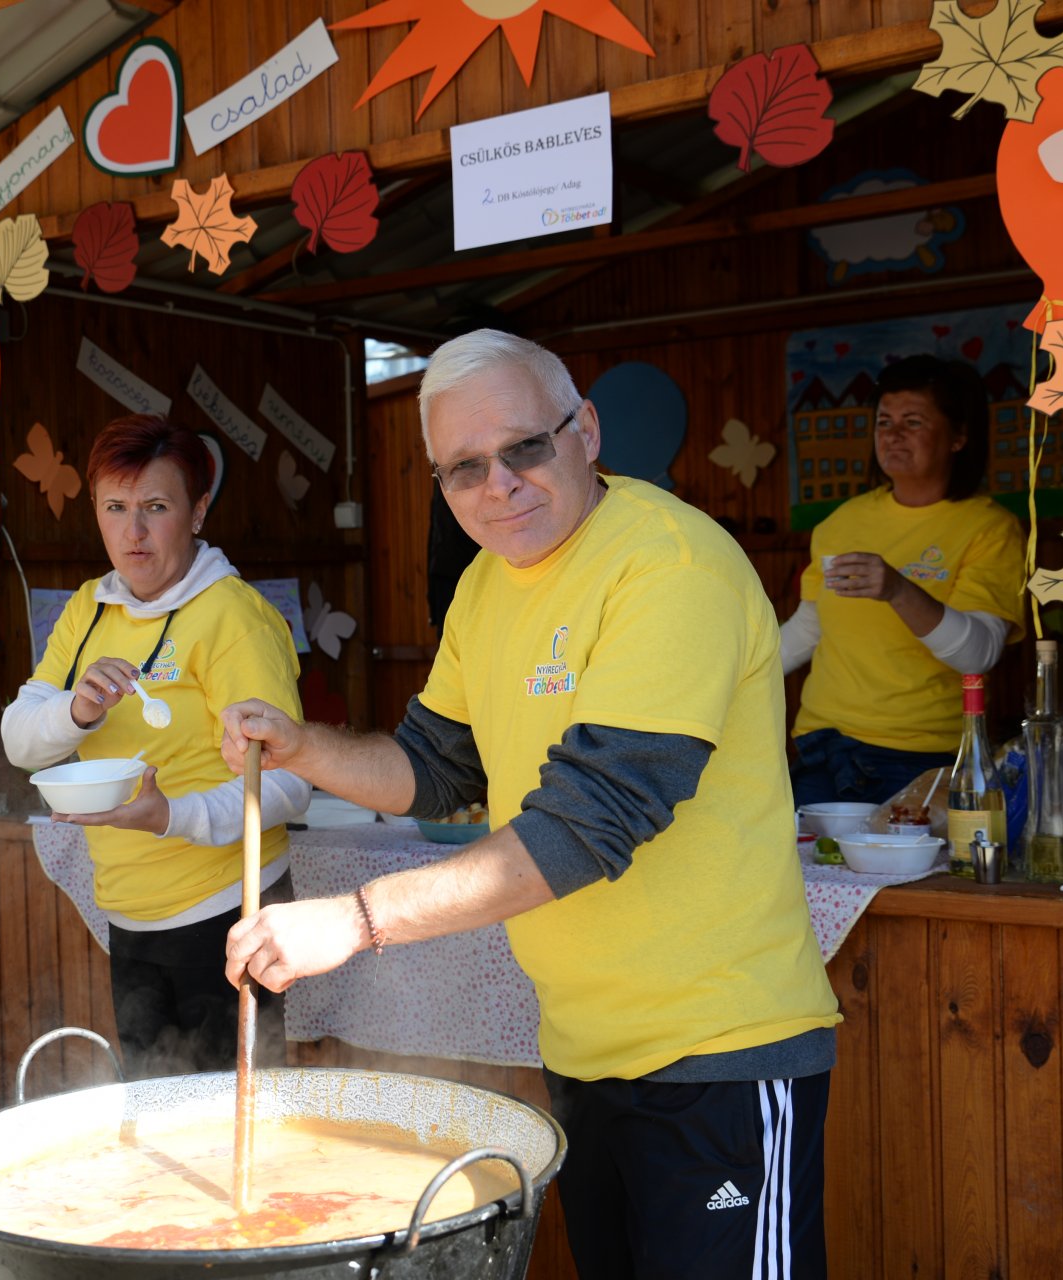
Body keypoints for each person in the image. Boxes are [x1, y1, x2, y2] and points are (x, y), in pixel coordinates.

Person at [218, 331, 840, 1280]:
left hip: (722, 1053)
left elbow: (588, 827)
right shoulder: (485, 585)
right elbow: (432, 768)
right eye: (464, 469)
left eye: (524, 449)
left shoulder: (671, 566)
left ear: (584, 431)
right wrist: (304, 748)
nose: (498, 486)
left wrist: (355, 920)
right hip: (586, 1051)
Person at [1, 413, 309, 1078]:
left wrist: (171, 817)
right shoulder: (89, 609)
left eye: (155, 507)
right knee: (156, 1120)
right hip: (130, 914)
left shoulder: (232, 616)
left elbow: (289, 782)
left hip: (231, 914)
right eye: (115, 508)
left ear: (197, 513)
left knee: (234, 1131)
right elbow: (22, 742)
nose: (132, 531)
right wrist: (77, 710)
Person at [781, 355, 1025, 808]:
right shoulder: (842, 521)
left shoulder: (989, 528)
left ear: (959, 437)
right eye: (884, 421)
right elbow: (809, 628)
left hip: (918, 756)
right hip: (820, 745)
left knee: (904, 881)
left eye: (913, 421)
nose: (892, 435)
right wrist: (727, 671)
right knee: (805, 876)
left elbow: (979, 653)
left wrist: (899, 589)